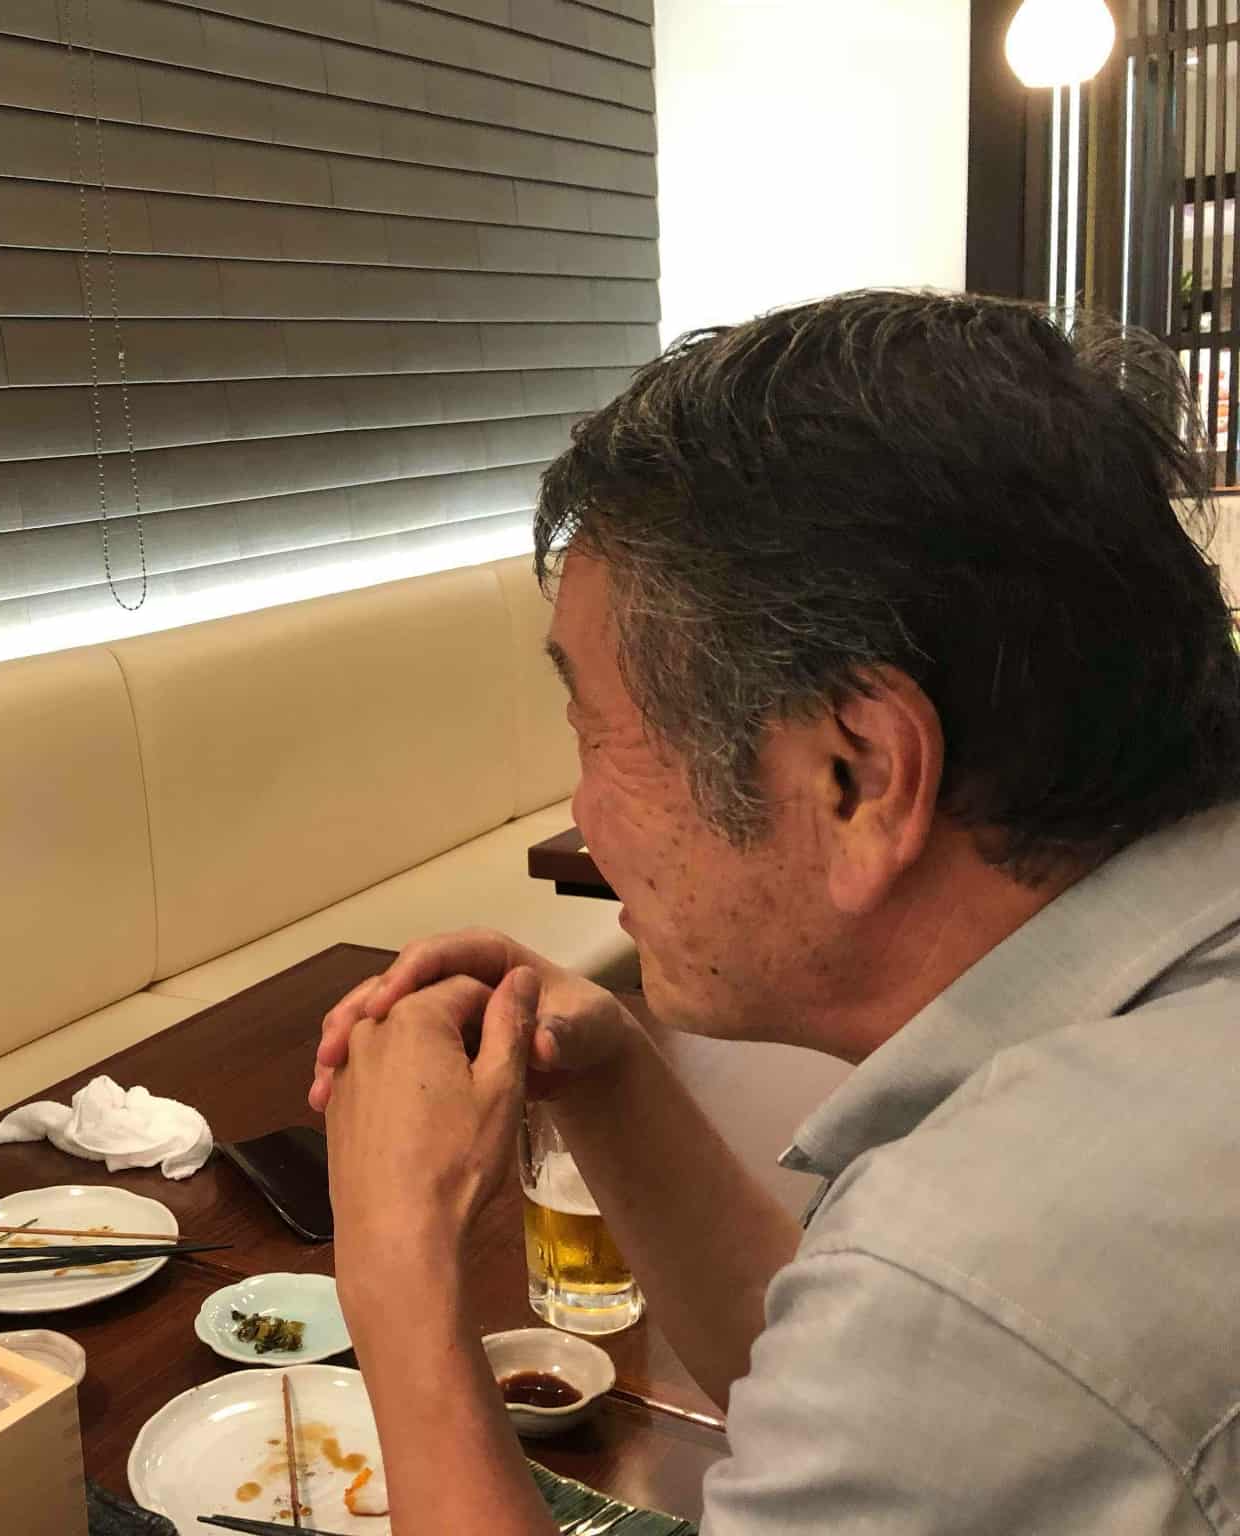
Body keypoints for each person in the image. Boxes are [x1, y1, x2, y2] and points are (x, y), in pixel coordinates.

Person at [311, 291, 1240, 1532]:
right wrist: (611, 1080)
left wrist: (395, 1267)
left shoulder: (992, 1268)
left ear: (856, 775)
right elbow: (853, 1397)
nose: (583, 815)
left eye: (596, 731)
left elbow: (942, 1329)